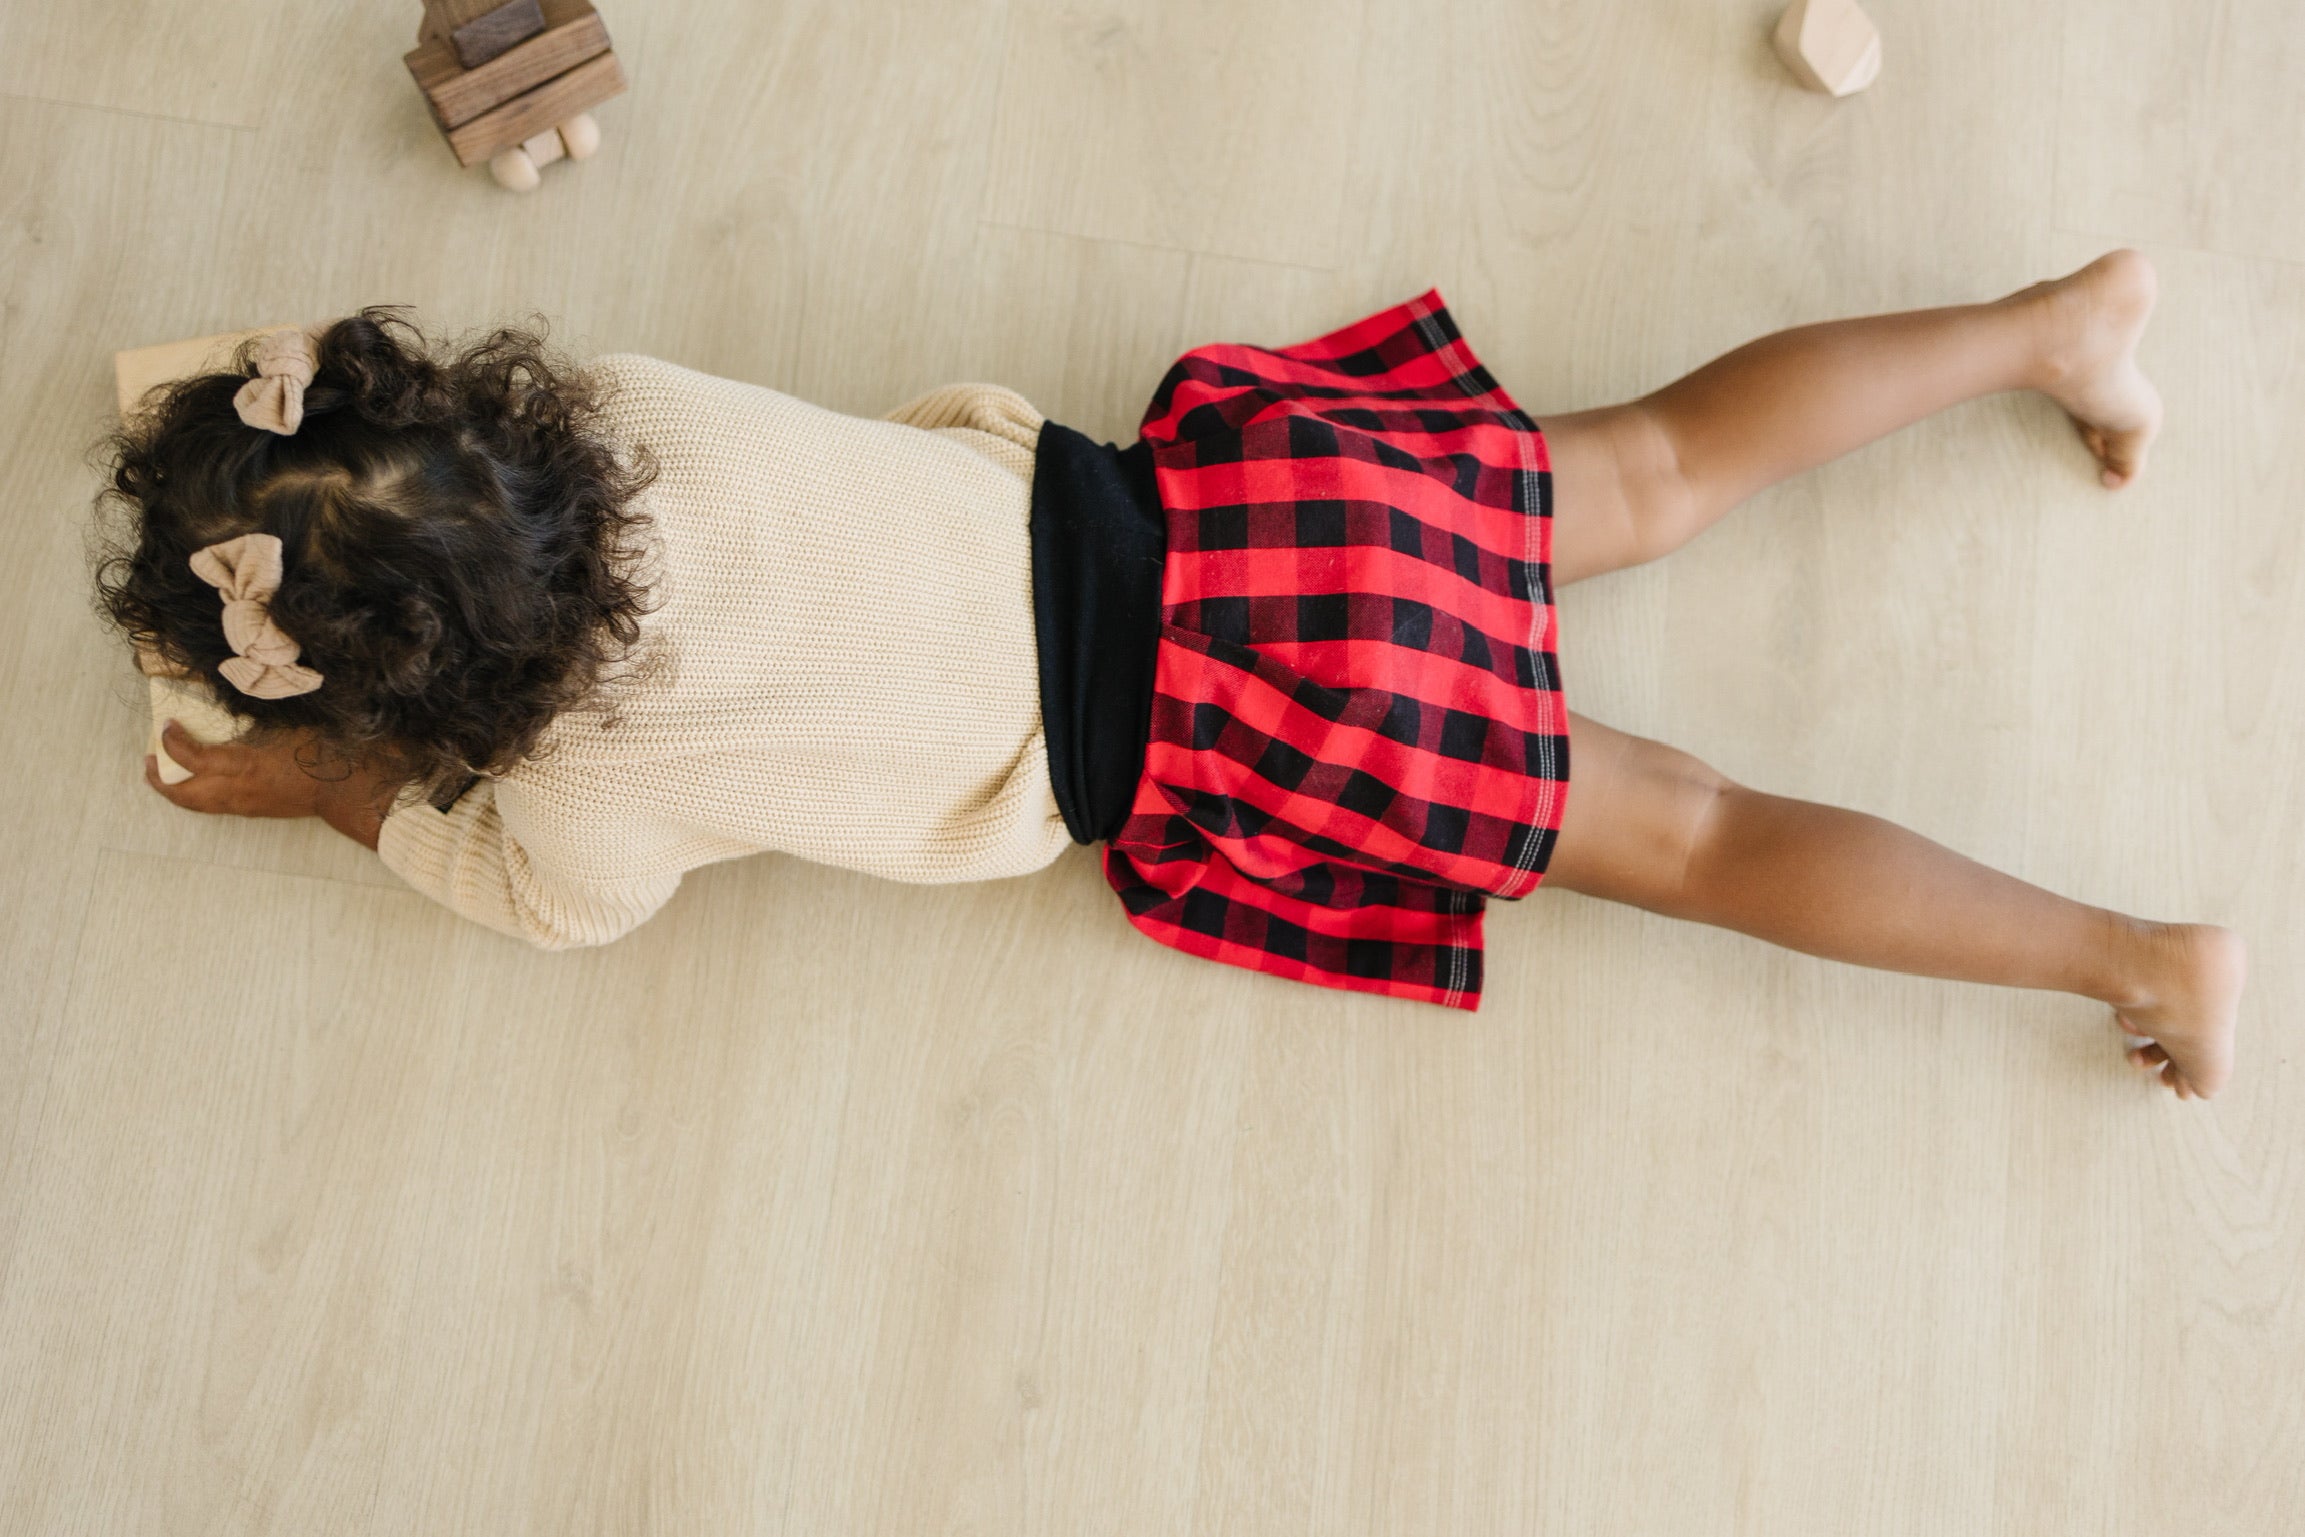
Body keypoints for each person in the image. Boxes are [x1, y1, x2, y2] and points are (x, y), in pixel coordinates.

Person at [98, 250, 2244, 1097]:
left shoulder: (575, 784)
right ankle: (2046, 329)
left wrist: (335, 795)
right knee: (1657, 458)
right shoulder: (628, 412)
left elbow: (544, 901)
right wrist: (263, 424)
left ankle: (2140, 954)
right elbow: (382, 470)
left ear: (402, 696)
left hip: (1249, 725)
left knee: (1689, 829)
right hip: (1235, 520)